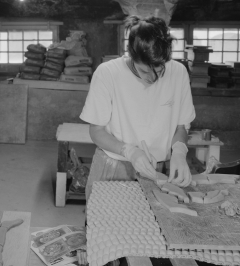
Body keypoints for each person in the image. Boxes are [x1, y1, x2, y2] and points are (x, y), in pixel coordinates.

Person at [80, 15, 196, 202]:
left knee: (152, 226)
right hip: (114, 164)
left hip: (158, 168)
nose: (152, 78)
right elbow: (96, 131)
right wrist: (130, 151)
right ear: (131, 56)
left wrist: (180, 152)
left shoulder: (178, 72)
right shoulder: (108, 73)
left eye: (159, 71)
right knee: (106, 225)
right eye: (144, 71)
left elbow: (181, 127)